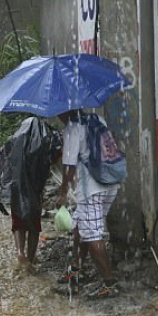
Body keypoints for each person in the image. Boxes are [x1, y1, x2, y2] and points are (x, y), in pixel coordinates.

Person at [56, 109, 120, 299]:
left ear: (65, 110)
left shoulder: (72, 128)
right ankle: (75, 269)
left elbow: (69, 166)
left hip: (91, 189)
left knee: (92, 235)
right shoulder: (97, 118)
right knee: (79, 225)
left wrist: (63, 193)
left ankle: (109, 284)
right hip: (110, 183)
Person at [0, 117, 60, 271]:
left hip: (16, 191)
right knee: (34, 227)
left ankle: (19, 253)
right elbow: (55, 157)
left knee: (18, 223)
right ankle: (31, 259)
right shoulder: (42, 145)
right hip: (35, 192)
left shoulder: (13, 141)